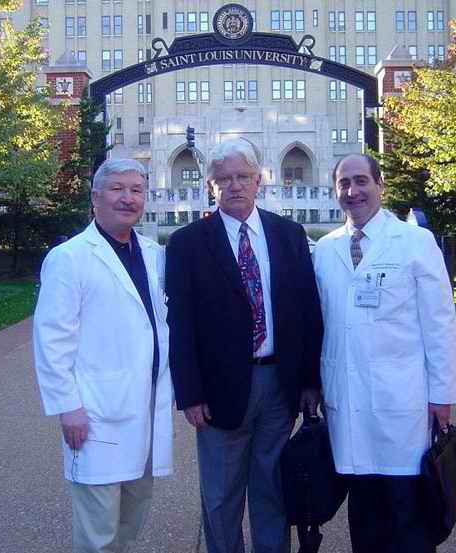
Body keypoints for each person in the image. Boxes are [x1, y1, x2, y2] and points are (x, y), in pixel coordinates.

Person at [166, 138, 323, 553]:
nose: (234, 185)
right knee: (221, 495)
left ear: (259, 181)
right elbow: (180, 325)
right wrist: (190, 395)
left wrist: (310, 381)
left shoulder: (288, 234)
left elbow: (307, 311)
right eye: (224, 179)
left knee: (272, 489)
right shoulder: (187, 244)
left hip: (279, 384)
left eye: (243, 177)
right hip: (218, 391)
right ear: (210, 186)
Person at [312, 153, 456, 553]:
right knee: (364, 514)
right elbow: (320, 324)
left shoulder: (414, 242)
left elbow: (439, 322)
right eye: (344, 183)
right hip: (348, 402)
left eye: (361, 181)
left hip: (402, 402)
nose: (353, 191)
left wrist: (442, 394)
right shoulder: (325, 250)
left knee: (407, 514)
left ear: (380, 185)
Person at [33, 159, 173, 553]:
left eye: (136, 190)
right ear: (95, 197)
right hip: (95, 412)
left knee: (133, 514)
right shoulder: (70, 257)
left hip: (146, 404)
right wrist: (67, 406)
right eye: (117, 189)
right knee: (98, 529)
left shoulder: (153, 254)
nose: (128, 198)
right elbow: (52, 338)